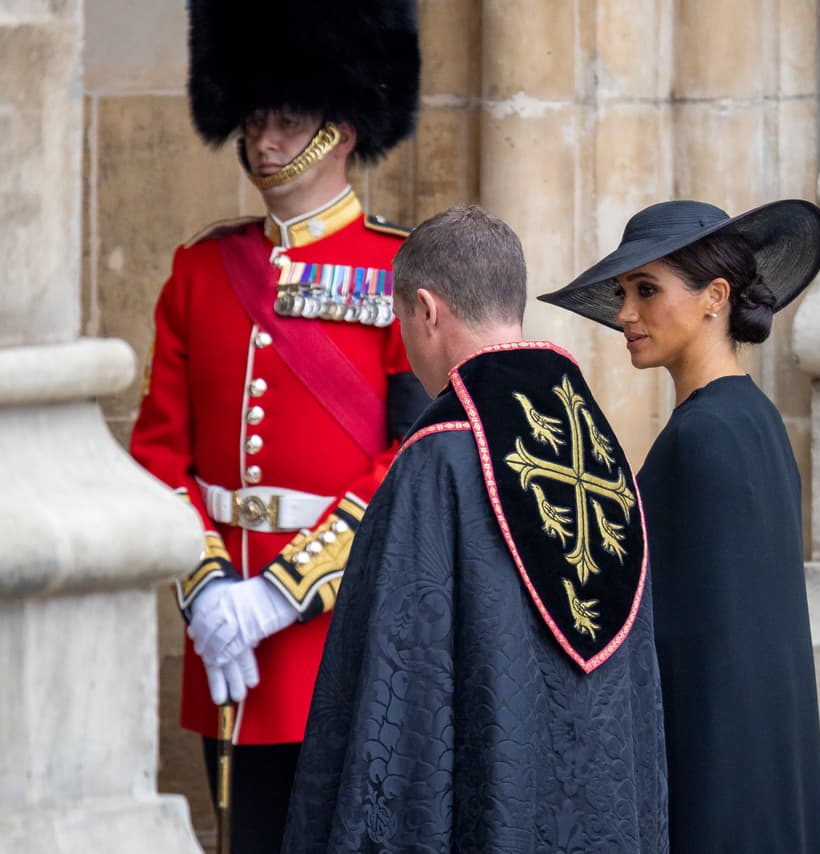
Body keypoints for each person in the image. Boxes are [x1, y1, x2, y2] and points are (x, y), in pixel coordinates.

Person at [128, 2, 426, 851]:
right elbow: (159, 454)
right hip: (225, 635)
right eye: (253, 118)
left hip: (332, 635)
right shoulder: (201, 270)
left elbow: (404, 460)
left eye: (285, 118)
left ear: (340, 125)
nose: (263, 141)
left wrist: (279, 594)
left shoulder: (398, 269)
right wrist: (211, 587)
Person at [281, 205, 669, 853]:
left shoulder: (439, 456)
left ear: (426, 310)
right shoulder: (598, 447)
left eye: (405, 322)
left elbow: (395, 697)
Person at [540, 199, 820, 852]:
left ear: (715, 297)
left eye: (647, 290)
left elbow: (691, 648)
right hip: (763, 773)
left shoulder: (701, 435)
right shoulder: (754, 418)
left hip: (716, 784)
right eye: (621, 293)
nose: (624, 314)